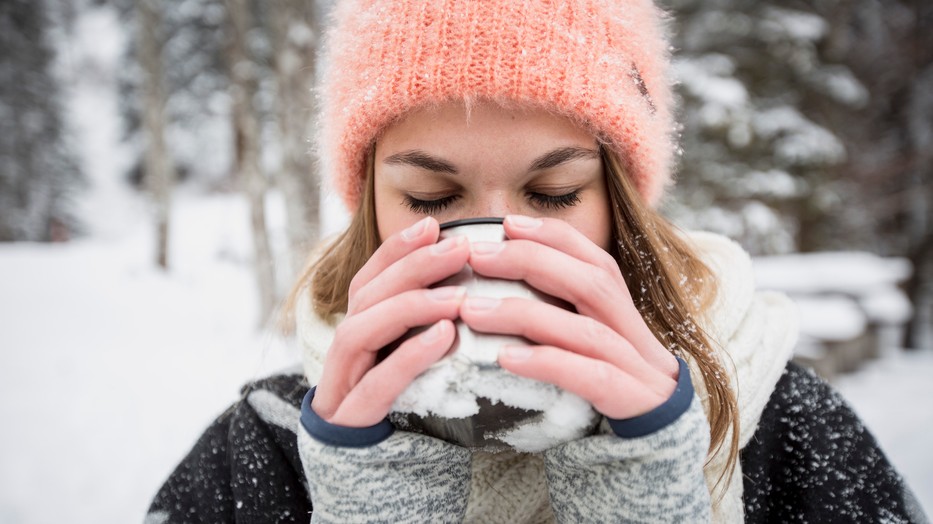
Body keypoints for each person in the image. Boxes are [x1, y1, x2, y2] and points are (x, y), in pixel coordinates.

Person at [146, 0, 929, 522]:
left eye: (554, 193)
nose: (496, 244)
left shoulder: (780, 425)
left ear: (620, 200)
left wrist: (648, 482)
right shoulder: (268, 447)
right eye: (428, 196)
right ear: (370, 204)